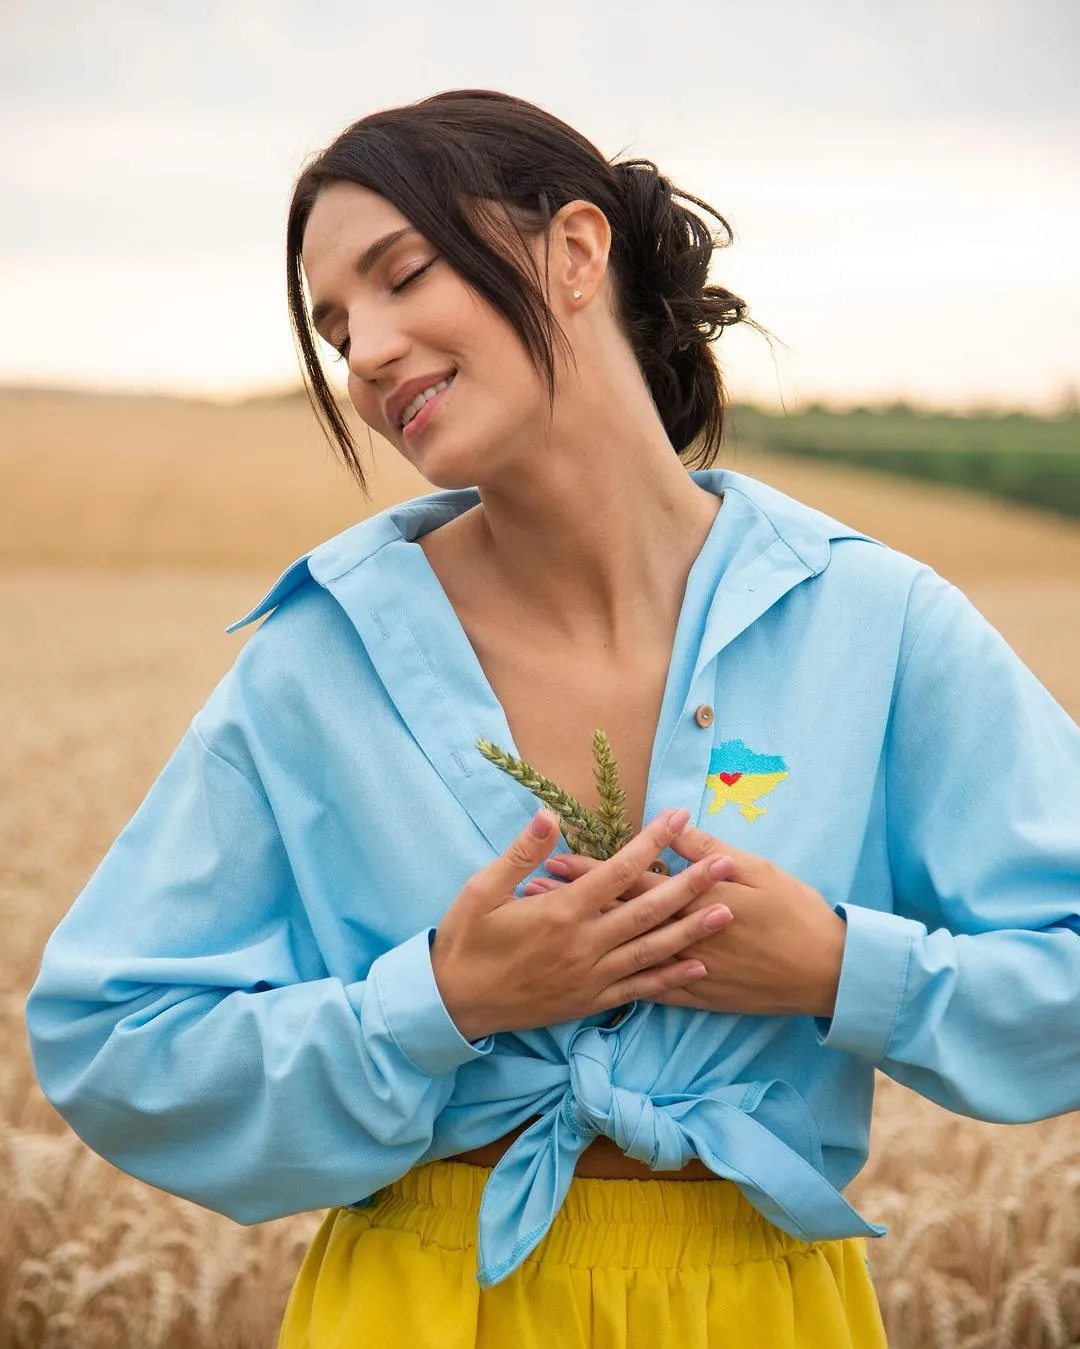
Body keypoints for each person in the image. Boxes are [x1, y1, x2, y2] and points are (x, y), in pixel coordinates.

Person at [24, 88, 1080, 1349]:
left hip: (766, 1304)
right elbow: (110, 1041)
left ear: (576, 252)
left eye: (400, 274)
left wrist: (840, 966)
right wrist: (439, 999)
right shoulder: (319, 661)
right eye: (334, 324)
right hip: (415, 1305)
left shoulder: (879, 622)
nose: (362, 352)